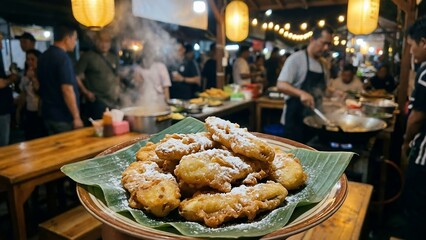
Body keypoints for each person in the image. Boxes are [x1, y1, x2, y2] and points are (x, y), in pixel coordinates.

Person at [277, 26, 333, 143]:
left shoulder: (324, 64)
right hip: (295, 120)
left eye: (329, 44)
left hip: (315, 121)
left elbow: (323, 90)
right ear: (312, 40)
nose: (326, 48)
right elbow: (281, 84)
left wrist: (335, 92)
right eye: (323, 43)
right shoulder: (296, 59)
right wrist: (301, 93)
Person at [401, 16, 426, 240]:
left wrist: (406, 141)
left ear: (424, 42)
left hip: (424, 158)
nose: (411, 52)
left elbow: (417, 117)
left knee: (417, 209)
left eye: (412, 46)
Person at [37, 24, 83, 134]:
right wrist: (76, 117)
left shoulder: (43, 56)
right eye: (74, 39)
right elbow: (67, 89)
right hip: (62, 117)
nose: (75, 43)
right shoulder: (63, 58)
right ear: (67, 38)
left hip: (47, 114)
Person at [76, 30, 120, 120]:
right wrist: (86, 92)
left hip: (113, 100)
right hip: (96, 100)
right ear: (96, 42)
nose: (104, 45)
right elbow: (76, 76)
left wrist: (117, 89)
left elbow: (117, 76)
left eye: (107, 42)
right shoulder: (87, 56)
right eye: (101, 41)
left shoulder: (113, 57)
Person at [16, 49, 47, 140]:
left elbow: (40, 91)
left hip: (40, 111)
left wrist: (33, 78)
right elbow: (23, 93)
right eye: (28, 59)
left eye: (32, 59)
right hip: (29, 110)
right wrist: (18, 110)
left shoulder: (43, 74)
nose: (29, 62)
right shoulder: (25, 75)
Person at [132, 41, 171, 110]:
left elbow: (166, 87)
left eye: (150, 52)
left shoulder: (160, 66)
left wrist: (167, 104)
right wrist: (138, 81)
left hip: (159, 101)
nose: (148, 54)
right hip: (144, 100)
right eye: (146, 52)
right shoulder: (138, 68)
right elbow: (136, 87)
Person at [0, 32, 18, 146]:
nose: (2, 46)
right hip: (1, 109)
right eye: (0, 41)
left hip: (4, 108)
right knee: (3, 144)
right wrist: (11, 79)